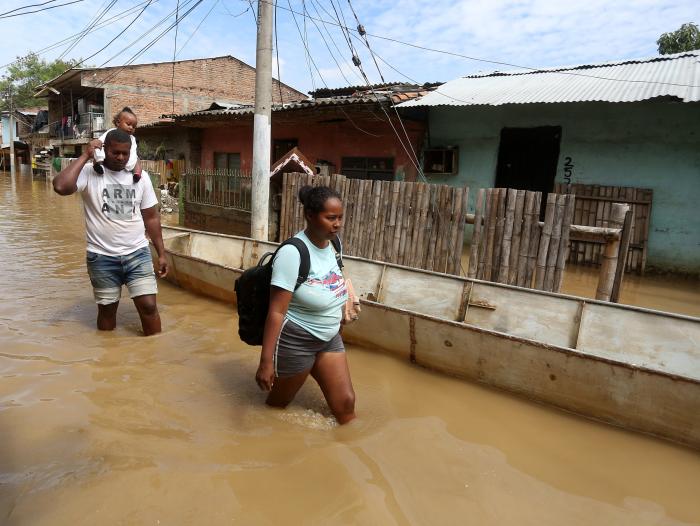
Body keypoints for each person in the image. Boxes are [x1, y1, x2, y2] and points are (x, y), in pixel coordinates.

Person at [53, 128, 168, 336]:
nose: (120, 157)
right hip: (101, 257)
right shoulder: (89, 173)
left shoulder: (141, 178)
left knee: (149, 307)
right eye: (115, 152)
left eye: (125, 153)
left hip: (137, 253)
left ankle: (156, 357)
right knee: (107, 312)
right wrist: (87, 154)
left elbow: (151, 217)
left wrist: (161, 253)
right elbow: (61, 186)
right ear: (104, 150)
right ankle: (108, 358)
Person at [256, 185, 356, 424]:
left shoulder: (334, 244)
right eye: (330, 218)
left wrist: (342, 311)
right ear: (310, 216)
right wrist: (265, 362)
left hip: (329, 337)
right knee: (277, 407)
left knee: (346, 403)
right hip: (297, 340)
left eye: (340, 217)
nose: (337, 224)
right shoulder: (293, 253)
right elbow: (277, 311)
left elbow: (333, 282)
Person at [92, 107, 141, 178]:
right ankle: (99, 165)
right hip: (107, 158)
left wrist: (132, 160)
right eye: (128, 124)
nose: (131, 128)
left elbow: (133, 150)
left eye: (133, 127)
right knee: (98, 152)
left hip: (127, 160)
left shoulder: (132, 138)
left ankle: (137, 174)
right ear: (118, 122)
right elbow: (100, 141)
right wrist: (98, 151)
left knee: (137, 160)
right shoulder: (111, 132)